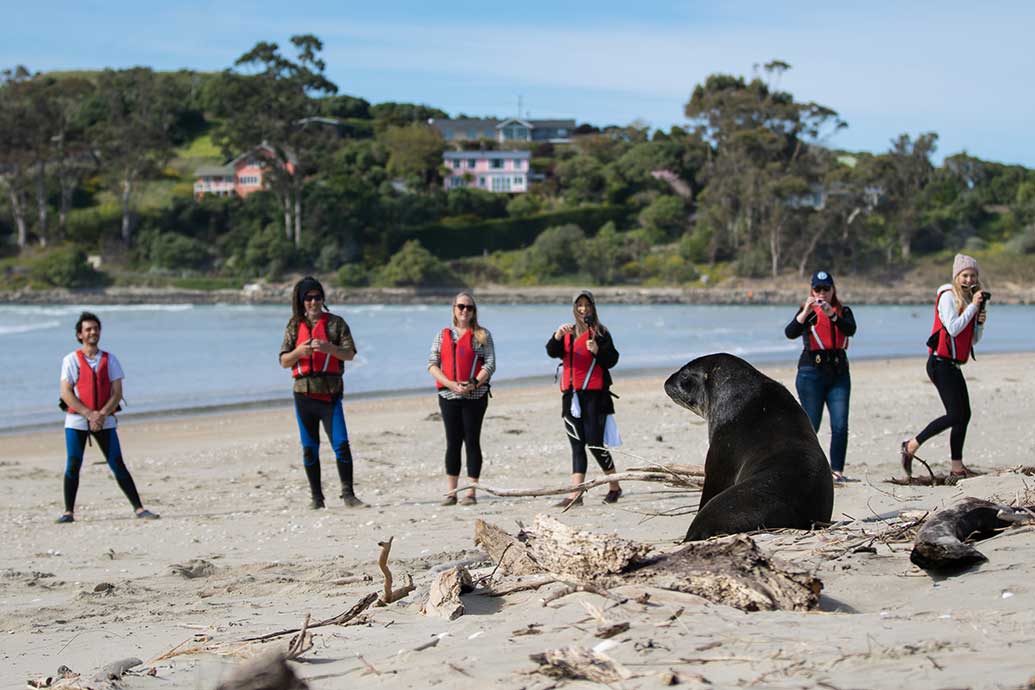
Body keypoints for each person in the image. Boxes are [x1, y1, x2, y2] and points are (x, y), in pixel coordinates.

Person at [56, 312, 159, 523]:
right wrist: (88, 414)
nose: (93, 332)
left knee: (117, 463)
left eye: (95, 328)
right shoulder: (70, 360)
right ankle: (68, 512)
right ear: (79, 335)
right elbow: (66, 393)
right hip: (77, 420)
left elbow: (117, 392)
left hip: (105, 419)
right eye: (88, 329)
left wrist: (101, 414)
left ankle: (139, 508)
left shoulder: (110, 359)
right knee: (74, 463)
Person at [279, 277, 365, 508]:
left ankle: (348, 495)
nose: (314, 302)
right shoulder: (294, 326)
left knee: (341, 444)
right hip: (303, 395)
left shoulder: (336, 324)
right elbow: (284, 361)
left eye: (317, 297)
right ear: (302, 301)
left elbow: (350, 354)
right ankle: (316, 498)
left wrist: (329, 348)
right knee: (309, 448)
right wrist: (299, 351)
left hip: (330, 394)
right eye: (309, 298)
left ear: (323, 299)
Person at [901, 254, 988, 480]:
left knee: (964, 414)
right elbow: (953, 328)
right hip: (939, 363)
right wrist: (972, 309)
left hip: (954, 364)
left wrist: (979, 322)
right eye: (965, 275)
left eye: (973, 275)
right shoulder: (947, 297)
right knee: (955, 414)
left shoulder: (969, 301)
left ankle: (957, 467)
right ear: (956, 276)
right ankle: (911, 445)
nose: (969, 279)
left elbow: (972, 340)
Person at [546, 290, 622, 507]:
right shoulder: (567, 333)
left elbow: (612, 359)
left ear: (593, 307)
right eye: (579, 305)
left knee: (595, 444)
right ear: (574, 308)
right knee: (577, 445)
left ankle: (615, 486)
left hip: (595, 397)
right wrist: (556, 337)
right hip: (571, 396)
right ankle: (575, 493)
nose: (583, 309)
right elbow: (552, 351)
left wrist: (598, 350)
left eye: (586, 305)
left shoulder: (601, 333)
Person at [784, 270, 857, 483]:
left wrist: (832, 315)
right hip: (811, 374)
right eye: (818, 289)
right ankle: (801, 467)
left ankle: (836, 471)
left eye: (826, 289)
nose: (822, 293)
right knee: (810, 424)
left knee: (840, 424)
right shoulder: (808, 313)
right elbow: (790, 332)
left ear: (833, 290)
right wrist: (806, 310)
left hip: (838, 373)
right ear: (812, 290)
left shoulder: (843, 311)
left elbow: (850, 330)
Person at [427, 292, 496, 506]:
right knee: (453, 442)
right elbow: (432, 364)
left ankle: (471, 492)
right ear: (454, 309)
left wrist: (473, 383)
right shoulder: (442, 335)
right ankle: (452, 492)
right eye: (461, 306)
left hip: (475, 395)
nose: (465, 311)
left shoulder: (482, 335)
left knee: (472, 441)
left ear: (474, 311)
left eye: (469, 307)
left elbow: (490, 365)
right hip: (449, 395)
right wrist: (451, 384)